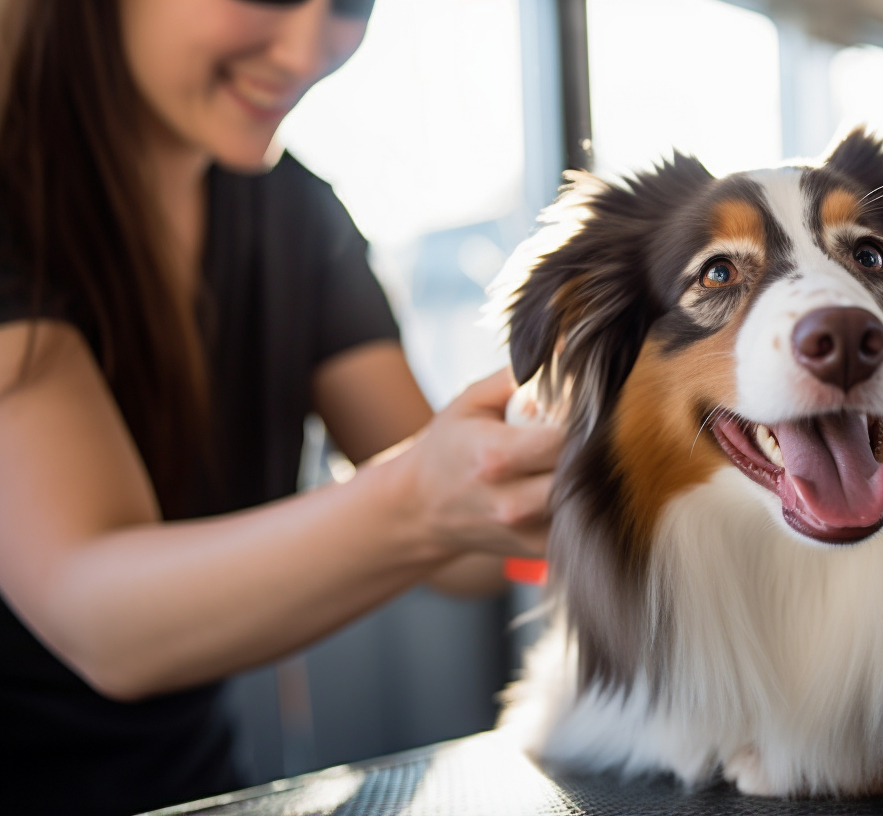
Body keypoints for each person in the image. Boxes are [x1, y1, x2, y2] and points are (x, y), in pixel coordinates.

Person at [0, 0, 564, 812]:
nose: (308, 49)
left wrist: (562, 450)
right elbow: (101, 624)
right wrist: (428, 498)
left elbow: (465, 552)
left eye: (349, 5)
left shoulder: (297, 214)